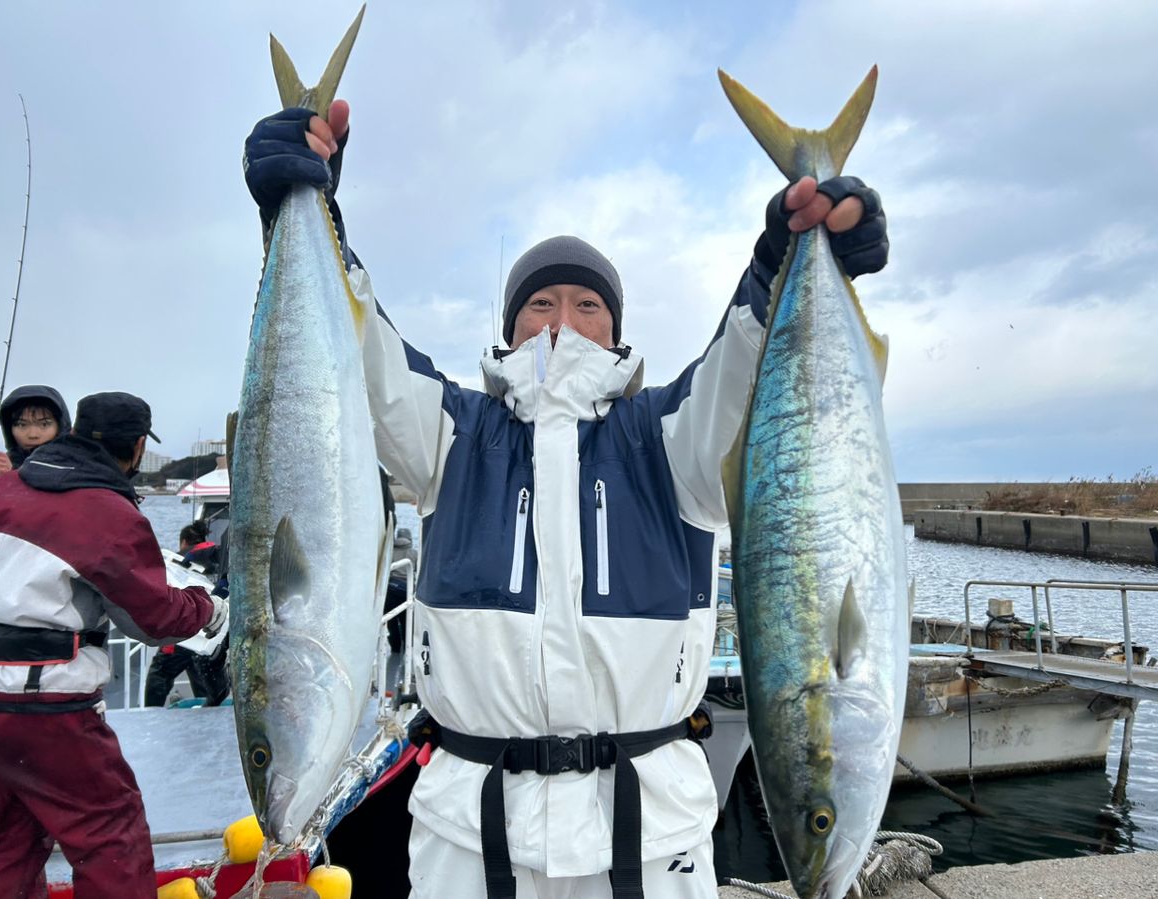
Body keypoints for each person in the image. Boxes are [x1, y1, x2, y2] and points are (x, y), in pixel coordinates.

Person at [244, 101, 888, 899]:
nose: (562, 324)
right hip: (468, 843)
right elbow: (355, 358)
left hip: (651, 842)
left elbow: (748, 368)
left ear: (617, 335)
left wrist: (786, 258)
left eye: (588, 307)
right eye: (540, 305)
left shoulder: (671, 439)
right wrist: (307, 213)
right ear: (510, 329)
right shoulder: (448, 434)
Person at [0, 391, 227, 898]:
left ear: (76, 429)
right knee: (110, 834)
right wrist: (207, 606)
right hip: (41, 707)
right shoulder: (107, 510)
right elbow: (153, 621)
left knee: (13, 835)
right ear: (139, 447)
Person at [143, 523, 231, 708]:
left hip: (191, 623)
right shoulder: (217, 550)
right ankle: (209, 713)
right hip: (215, 627)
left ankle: (152, 710)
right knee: (199, 668)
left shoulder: (184, 558)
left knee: (160, 673)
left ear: (184, 541)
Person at [0, 384, 71, 480]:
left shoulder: (78, 465)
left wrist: (12, 476)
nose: (33, 435)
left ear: (60, 426)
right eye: (21, 425)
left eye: (44, 424)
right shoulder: (2, 465)